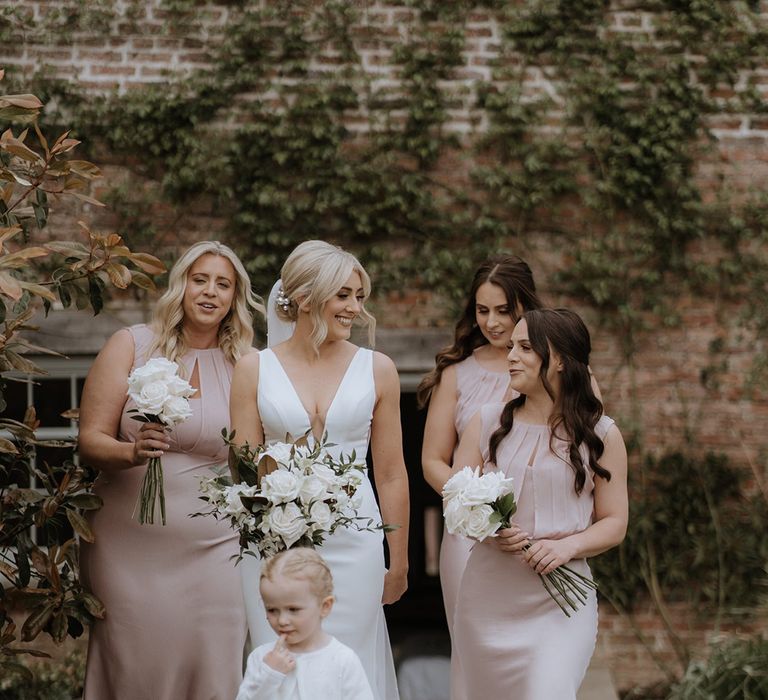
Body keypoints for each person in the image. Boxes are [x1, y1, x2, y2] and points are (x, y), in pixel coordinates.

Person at [78, 240, 263, 700]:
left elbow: (253, 456)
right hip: (129, 546)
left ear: (234, 298)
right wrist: (131, 452)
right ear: (181, 285)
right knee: (135, 668)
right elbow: (89, 441)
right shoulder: (132, 345)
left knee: (215, 662)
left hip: (217, 545)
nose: (210, 292)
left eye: (223, 284)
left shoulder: (248, 363)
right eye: (200, 280)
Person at [230, 239, 409, 700]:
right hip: (275, 541)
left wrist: (399, 559)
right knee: (280, 661)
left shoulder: (379, 369)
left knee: (350, 662)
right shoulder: (253, 369)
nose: (355, 308)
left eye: (359, 296)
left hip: (357, 541)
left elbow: (390, 473)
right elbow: (246, 471)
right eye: (343, 295)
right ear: (305, 298)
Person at [450, 308, 628, 699]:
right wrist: (489, 530)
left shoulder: (602, 435)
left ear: (561, 359)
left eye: (524, 347)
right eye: (511, 346)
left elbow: (615, 522)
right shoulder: (486, 421)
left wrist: (567, 546)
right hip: (488, 597)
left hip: (561, 603)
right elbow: (457, 498)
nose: (510, 355)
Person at [417, 256, 542, 644]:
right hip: (471, 536)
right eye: (482, 310)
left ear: (526, 306)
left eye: (504, 310)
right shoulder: (457, 374)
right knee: (475, 654)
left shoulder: (561, 368)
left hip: (538, 536)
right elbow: (432, 461)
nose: (492, 323)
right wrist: (480, 508)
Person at [236, 548, 375, 700]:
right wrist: (269, 675)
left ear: (325, 606)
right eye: (272, 610)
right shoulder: (262, 658)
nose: (282, 620)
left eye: (293, 609)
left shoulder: (342, 660)